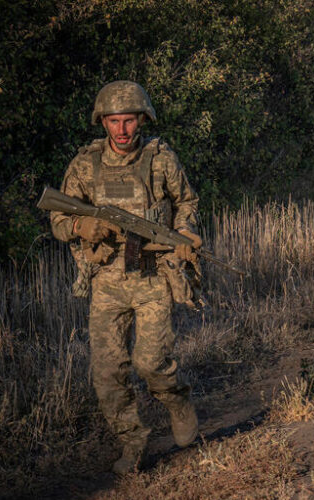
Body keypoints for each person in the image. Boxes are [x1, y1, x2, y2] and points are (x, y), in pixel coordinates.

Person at [49, 80, 201, 474]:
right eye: (114, 121)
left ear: (141, 120)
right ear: (102, 122)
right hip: (106, 281)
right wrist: (81, 226)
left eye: (129, 120)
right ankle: (132, 445)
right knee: (107, 373)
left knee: (151, 362)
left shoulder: (161, 159)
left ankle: (177, 401)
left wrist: (185, 232)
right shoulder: (86, 164)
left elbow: (186, 203)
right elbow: (58, 218)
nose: (121, 130)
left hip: (152, 277)